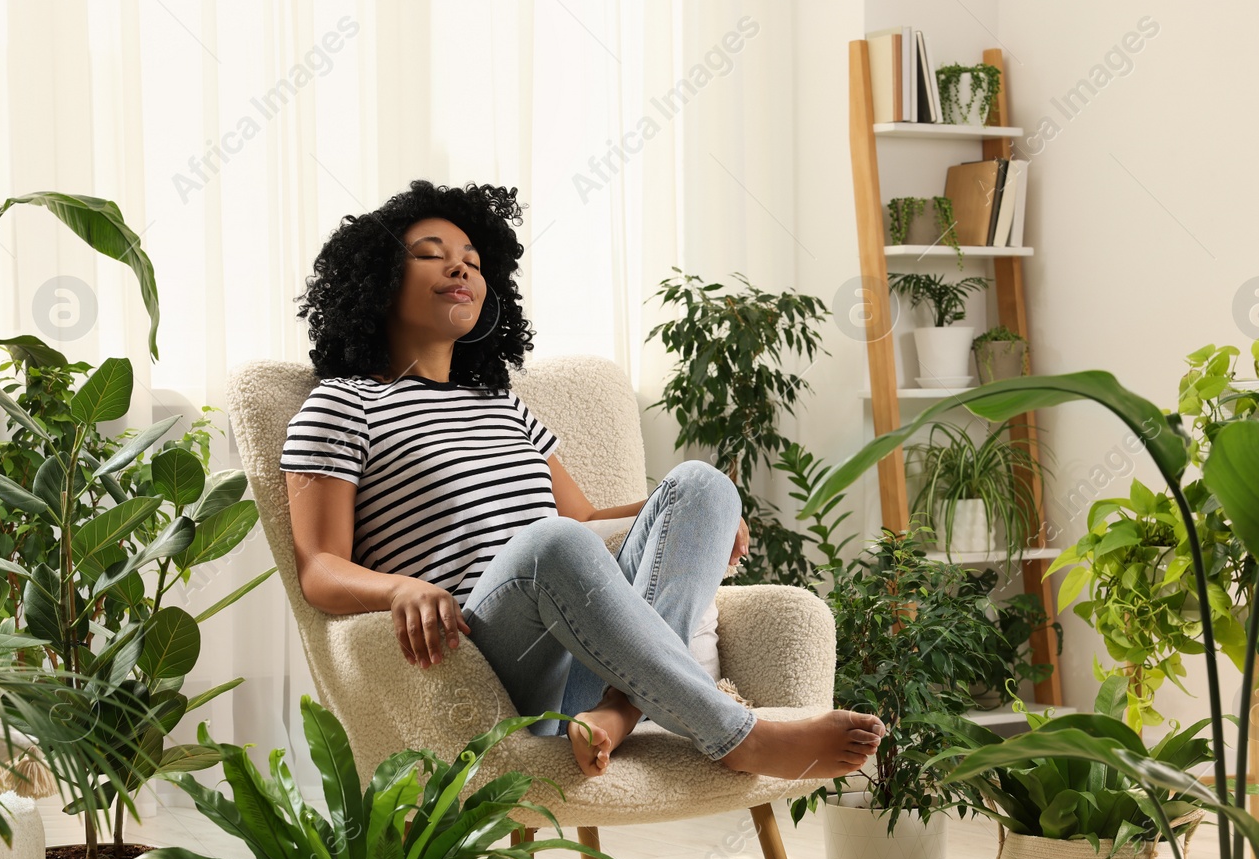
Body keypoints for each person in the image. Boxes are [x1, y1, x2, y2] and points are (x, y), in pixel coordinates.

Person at [280, 179, 883, 779]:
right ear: (379, 278)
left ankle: (619, 708)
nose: (459, 268)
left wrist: (690, 513)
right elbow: (319, 568)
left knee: (703, 484)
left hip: (584, 662)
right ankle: (734, 734)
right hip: (481, 663)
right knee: (552, 542)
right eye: (432, 254)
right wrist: (397, 590)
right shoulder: (344, 404)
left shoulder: (501, 405)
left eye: (472, 260)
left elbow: (591, 523)